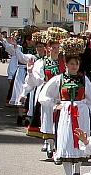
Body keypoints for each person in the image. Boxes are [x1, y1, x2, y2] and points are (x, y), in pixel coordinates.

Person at [39, 37, 91, 175]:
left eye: (77, 64)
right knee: (66, 142)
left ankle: (76, 174)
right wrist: (55, 104)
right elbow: (43, 96)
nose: (74, 66)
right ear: (66, 64)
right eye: (72, 64)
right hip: (66, 115)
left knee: (80, 142)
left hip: (81, 113)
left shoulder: (84, 79)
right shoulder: (58, 80)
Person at [26, 27, 68, 157]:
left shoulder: (64, 62)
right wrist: (30, 72)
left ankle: (59, 146)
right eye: (54, 47)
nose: (56, 50)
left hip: (62, 95)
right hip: (48, 94)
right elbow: (37, 81)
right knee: (48, 119)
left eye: (58, 47)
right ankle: (50, 145)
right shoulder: (42, 62)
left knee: (61, 120)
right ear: (48, 48)